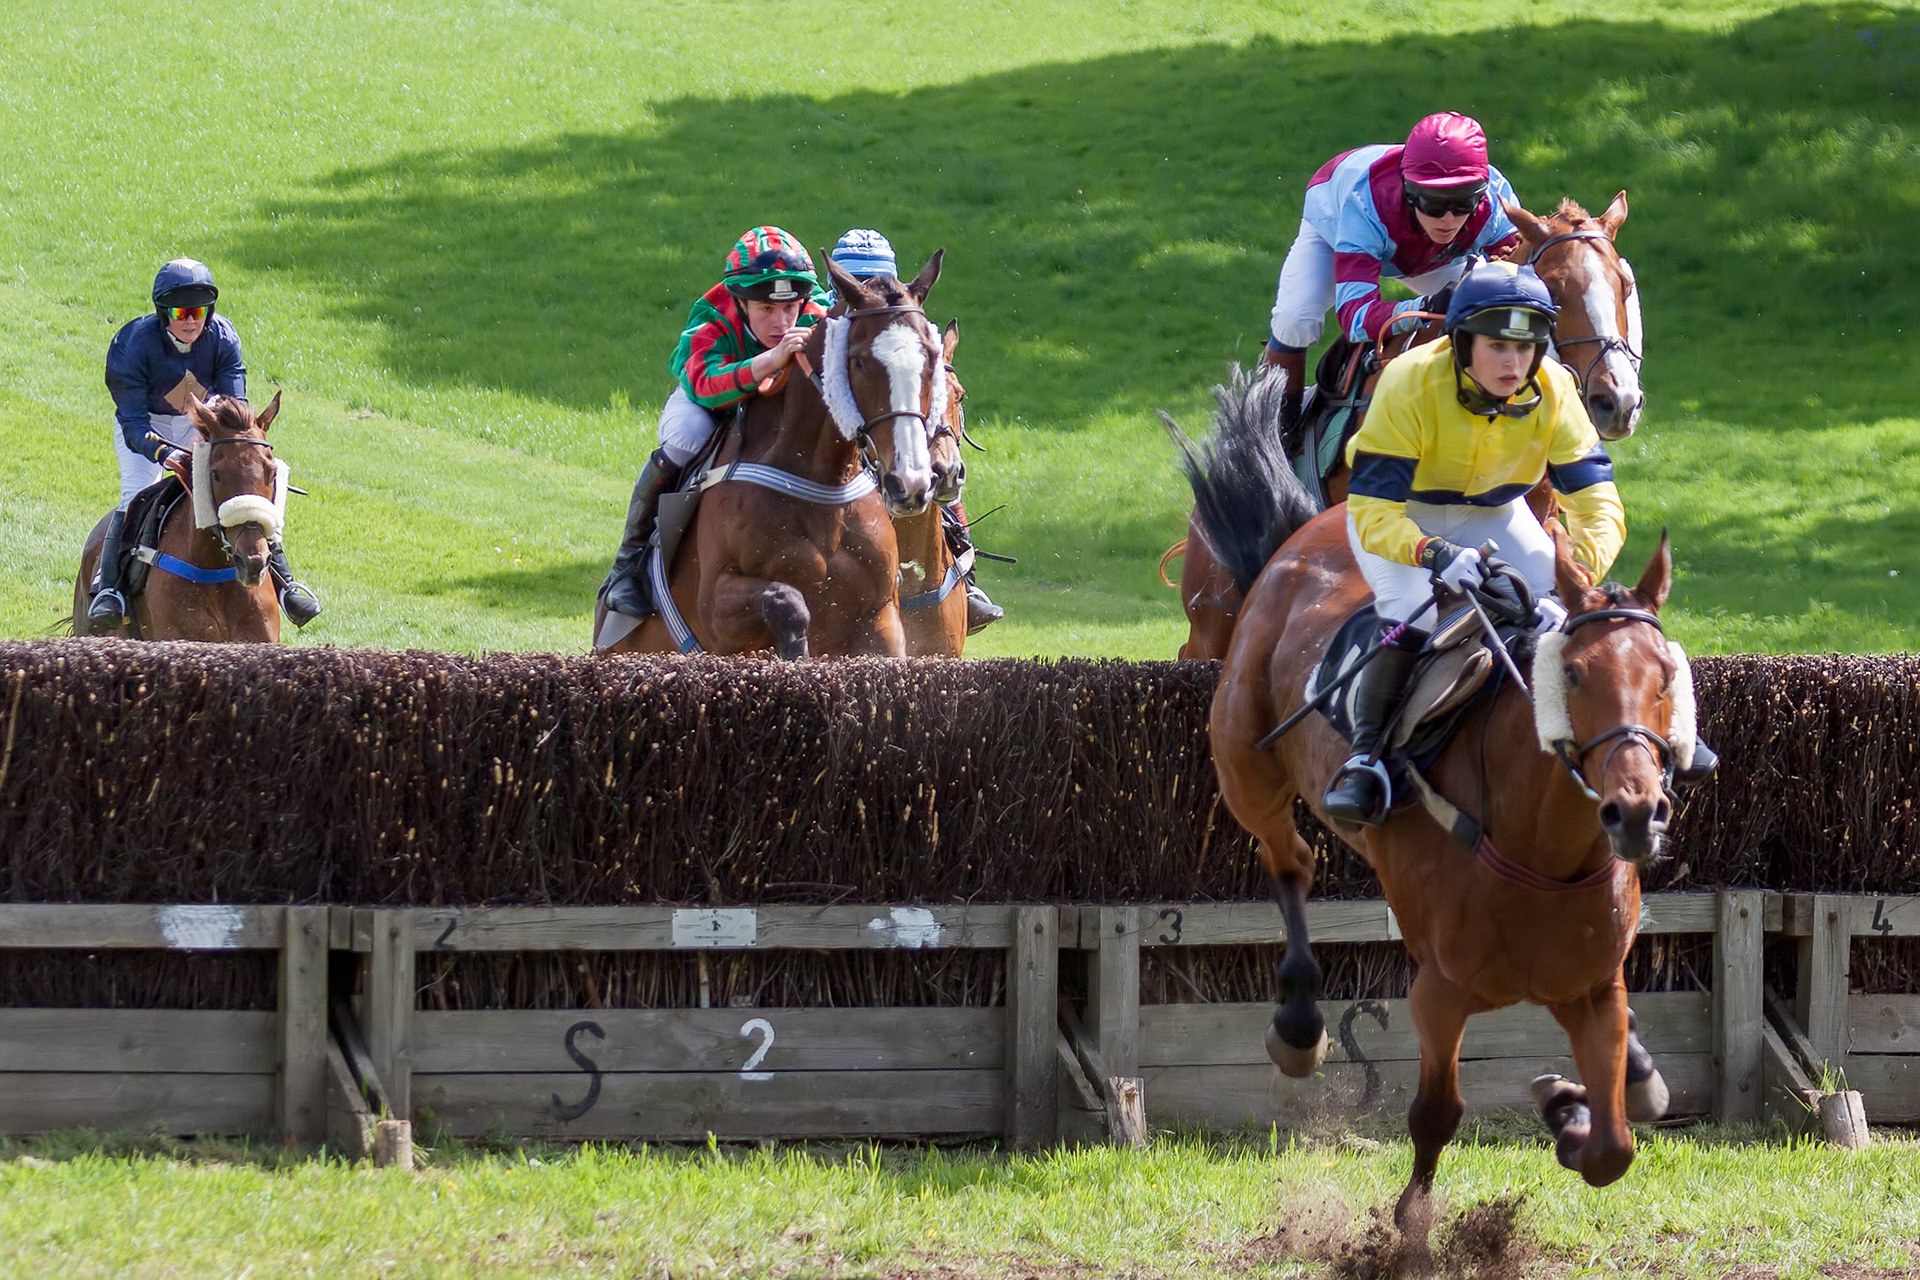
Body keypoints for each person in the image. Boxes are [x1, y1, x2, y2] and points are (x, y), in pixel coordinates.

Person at [1322, 259, 1715, 825]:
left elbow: (1598, 503)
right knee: (1413, 612)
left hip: (1494, 512)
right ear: (1459, 344)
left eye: (1528, 347)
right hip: (1402, 511)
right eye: (1497, 347)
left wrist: (1577, 570)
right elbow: (1374, 511)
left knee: (1560, 616)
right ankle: (1366, 759)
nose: (1514, 363)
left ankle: (1636, 737)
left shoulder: (1555, 388)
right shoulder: (1408, 381)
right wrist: (1433, 554)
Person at [600, 226, 830, 620]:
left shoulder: (817, 312)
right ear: (740, 303)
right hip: (711, 407)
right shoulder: (710, 316)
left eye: (790, 308)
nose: (781, 321)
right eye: (767, 310)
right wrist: (767, 363)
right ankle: (629, 562)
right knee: (687, 437)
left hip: (776, 412)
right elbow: (705, 384)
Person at [85, 259, 321, 634]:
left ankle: (286, 583)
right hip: (148, 426)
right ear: (164, 313)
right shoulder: (133, 344)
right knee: (135, 496)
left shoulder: (223, 337)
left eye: (198, 312)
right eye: (181, 312)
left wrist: (233, 446)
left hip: (204, 420)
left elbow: (234, 405)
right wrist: (165, 454)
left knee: (254, 480)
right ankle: (108, 589)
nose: (191, 321)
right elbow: (133, 423)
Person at [1263, 112, 1524, 426]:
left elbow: (1526, 286)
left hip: (1435, 257)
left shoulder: (1496, 201)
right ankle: (1276, 428)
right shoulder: (1366, 201)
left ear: (1482, 193)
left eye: (1463, 203)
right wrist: (1425, 307)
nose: (1448, 219)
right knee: (1297, 319)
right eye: (1433, 203)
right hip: (1334, 227)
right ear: (1409, 192)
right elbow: (1355, 319)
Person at [828, 229, 1002, 634]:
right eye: (860, 282)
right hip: (848, 446)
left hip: (899, 439)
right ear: (840, 286)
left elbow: (933, 386)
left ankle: (966, 576)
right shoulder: (824, 322)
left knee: (940, 472)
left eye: (877, 280)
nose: (870, 291)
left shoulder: (911, 326)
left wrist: (939, 432)